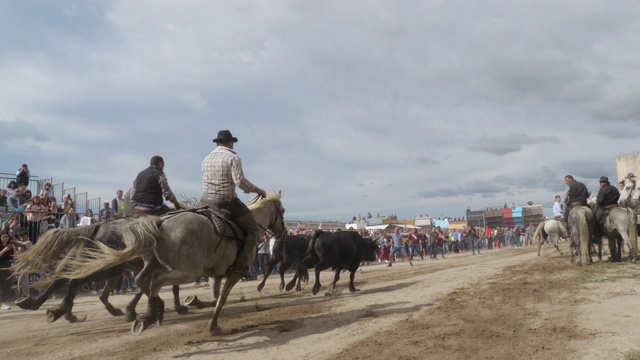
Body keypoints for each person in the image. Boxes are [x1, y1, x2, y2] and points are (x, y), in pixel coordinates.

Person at [200, 130, 267, 278]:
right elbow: (240, 182)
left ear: (217, 143)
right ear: (230, 143)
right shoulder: (233, 157)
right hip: (225, 202)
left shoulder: (206, 158)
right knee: (253, 229)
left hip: (205, 201)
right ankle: (240, 265)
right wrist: (258, 190)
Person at [0, 233, 15, 310]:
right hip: (1, 267)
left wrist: (13, 248)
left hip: (8, 266)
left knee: (8, 284)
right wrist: (4, 250)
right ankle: (3, 303)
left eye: (7, 237)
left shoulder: (9, 247)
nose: (5, 238)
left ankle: (4, 301)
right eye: (3, 237)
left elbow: (13, 257)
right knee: (2, 285)